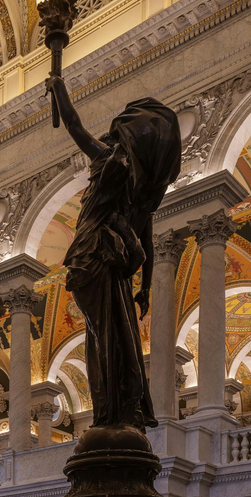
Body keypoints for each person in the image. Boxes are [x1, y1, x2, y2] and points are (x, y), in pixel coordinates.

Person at [45, 73, 182, 431]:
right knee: (116, 337)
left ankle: (111, 412)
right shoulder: (141, 192)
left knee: (108, 337)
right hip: (110, 263)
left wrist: (59, 88)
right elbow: (146, 245)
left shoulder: (111, 162)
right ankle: (117, 410)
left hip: (94, 256)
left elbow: (75, 127)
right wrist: (145, 287)